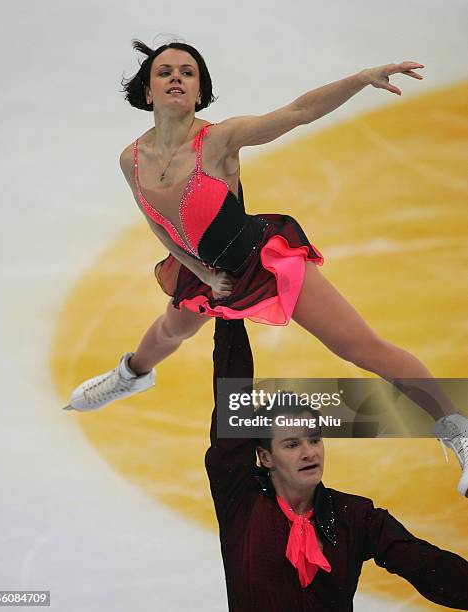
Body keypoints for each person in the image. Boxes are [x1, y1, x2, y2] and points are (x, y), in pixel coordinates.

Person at [62, 39, 468, 497]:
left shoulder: (218, 140)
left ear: (199, 92)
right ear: (148, 91)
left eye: (188, 72)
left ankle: (457, 428)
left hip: (262, 261)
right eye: (165, 71)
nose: (176, 77)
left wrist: (358, 80)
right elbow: (161, 228)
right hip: (208, 273)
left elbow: (298, 111)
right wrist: (199, 270)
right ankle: (130, 376)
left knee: (360, 347)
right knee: (170, 331)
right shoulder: (130, 160)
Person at [206, 317, 468, 611]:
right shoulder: (242, 501)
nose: (309, 453)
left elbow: (428, 567)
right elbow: (233, 405)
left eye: (314, 440)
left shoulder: (355, 518)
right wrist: (229, 317)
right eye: (292, 445)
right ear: (265, 457)